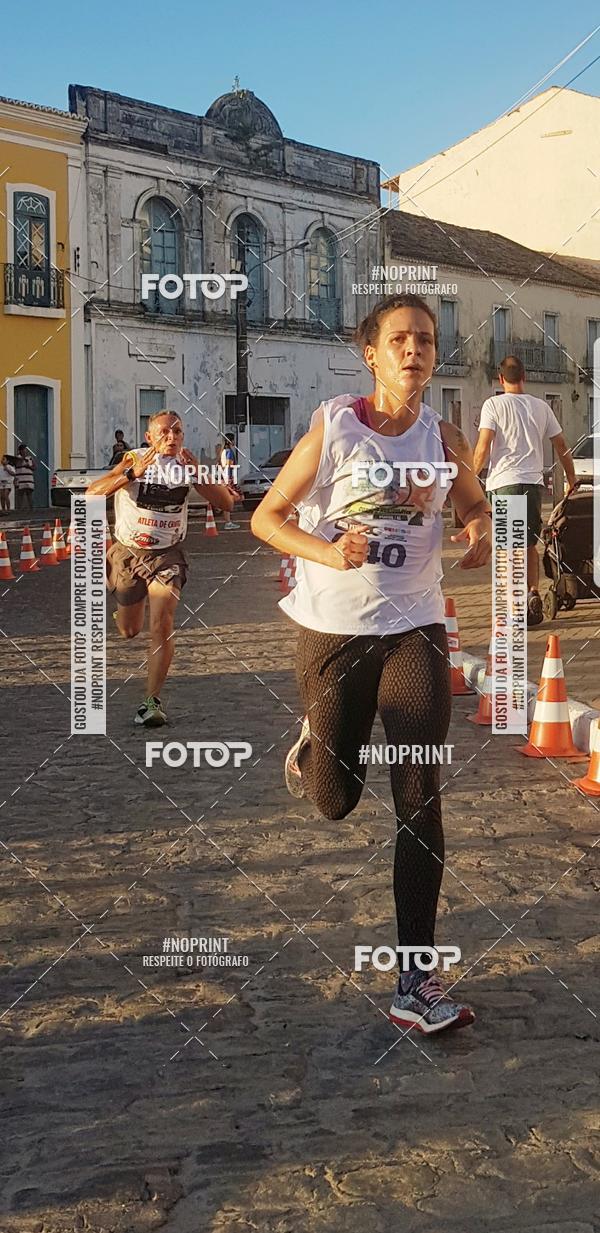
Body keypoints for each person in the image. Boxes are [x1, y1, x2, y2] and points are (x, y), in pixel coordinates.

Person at [251, 294, 492, 1035]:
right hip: (333, 632)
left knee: (421, 790)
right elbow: (267, 517)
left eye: (425, 338)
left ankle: (414, 978)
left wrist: (479, 531)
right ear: (372, 353)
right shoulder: (335, 426)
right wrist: (330, 551)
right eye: (400, 338)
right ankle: (314, 739)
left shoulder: (444, 436)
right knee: (334, 799)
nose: (415, 349)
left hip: (414, 627)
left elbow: (473, 505)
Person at [87, 410, 234, 726]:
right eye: (165, 432)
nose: (172, 437)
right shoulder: (133, 458)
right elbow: (92, 493)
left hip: (167, 555)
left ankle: (150, 703)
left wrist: (198, 475)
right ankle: (125, 608)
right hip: (128, 553)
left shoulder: (188, 465)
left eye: (178, 432)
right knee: (129, 630)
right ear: (149, 437)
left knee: (163, 622)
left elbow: (227, 504)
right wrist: (130, 476)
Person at [473, 356, 575, 625]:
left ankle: (513, 607)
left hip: (504, 484)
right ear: (524, 377)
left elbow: (484, 446)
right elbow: (561, 445)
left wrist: (469, 477)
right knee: (528, 545)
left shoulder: (493, 405)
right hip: (532, 485)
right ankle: (531, 593)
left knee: (507, 549)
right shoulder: (540, 407)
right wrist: (572, 477)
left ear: (501, 378)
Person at [219, 434, 240, 530]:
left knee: (229, 499)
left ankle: (228, 520)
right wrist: (230, 479)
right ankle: (228, 521)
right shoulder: (229, 452)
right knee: (232, 498)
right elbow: (228, 466)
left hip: (224, 478)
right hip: (228, 478)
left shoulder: (223, 452)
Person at [14, 444, 35, 512]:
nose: (25, 451)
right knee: (20, 495)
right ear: (20, 451)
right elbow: (16, 465)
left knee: (29, 494)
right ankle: (20, 509)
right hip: (20, 479)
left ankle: (31, 509)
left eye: (26, 449)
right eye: (23, 450)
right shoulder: (16, 458)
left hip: (29, 479)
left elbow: (34, 467)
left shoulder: (30, 458)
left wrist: (28, 466)